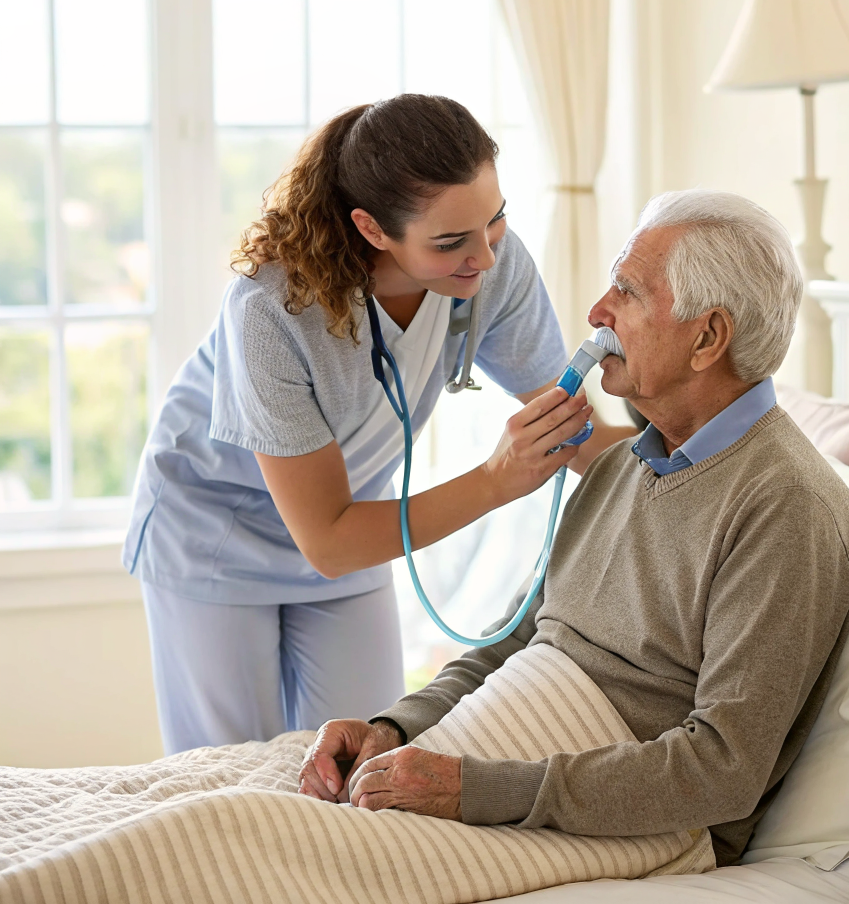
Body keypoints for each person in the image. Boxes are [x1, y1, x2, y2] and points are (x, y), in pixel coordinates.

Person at [298, 189, 849, 867]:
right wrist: (393, 727)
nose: (597, 313)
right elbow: (511, 644)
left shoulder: (786, 507)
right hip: (500, 784)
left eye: (626, 291)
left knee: (264, 855)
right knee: (216, 826)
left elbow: (721, 768)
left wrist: (472, 789)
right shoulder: (619, 467)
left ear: (708, 337)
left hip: (633, 835)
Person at [124, 94, 635, 755]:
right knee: (232, 774)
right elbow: (329, 543)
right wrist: (495, 481)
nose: (483, 256)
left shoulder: (491, 266)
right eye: (450, 242)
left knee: (368, 754)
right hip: (214, 533)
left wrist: (717, 437)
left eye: (495, 221)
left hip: (354, 521)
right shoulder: (270, 309)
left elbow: (579, 437)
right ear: (372, 229)